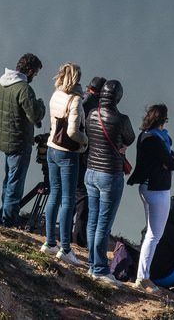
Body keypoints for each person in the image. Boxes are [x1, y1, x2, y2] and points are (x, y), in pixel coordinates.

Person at [84, 79, 136, 285]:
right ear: (118, 98)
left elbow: (89, 133)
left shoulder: (91, 114)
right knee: (103, 225)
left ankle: (92, 264)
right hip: (109, 174)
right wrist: (120, 145)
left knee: (92, 220)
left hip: (91, 172)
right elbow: (130, 138)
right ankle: (100, 269)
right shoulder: (121, 119)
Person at [127, 103, 174, 292]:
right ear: (163, 120)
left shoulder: (144, 136)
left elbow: (170, 162)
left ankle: (143, 274)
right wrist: (169, 161)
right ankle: (143, 277)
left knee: (150, 232)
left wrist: (169, 161)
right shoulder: (157, 140)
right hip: (158, 190)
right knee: (154, 235)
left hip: (146, 188)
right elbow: (172, 163)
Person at [41, 62, 88, 264]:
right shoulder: (75, 100)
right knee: (68, 200)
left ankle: (50, 243)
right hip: (68, 153)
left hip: (52, 148)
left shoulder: (55, 95)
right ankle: (66, 248)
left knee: (54, 194)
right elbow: (72, 132)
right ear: (77, 78)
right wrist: (85, 141)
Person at [0, 53, 45, 227]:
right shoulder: (24, 89)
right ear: (29, 71)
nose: (34, 77)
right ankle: (8, 220)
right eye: (35, 73)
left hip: (4, 138)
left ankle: (3, 215)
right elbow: (34, 114)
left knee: (8, 179)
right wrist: (41, 104)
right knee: (15, 182)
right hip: (20, 141)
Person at [73, 76, 107, 247]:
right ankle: (79, 240)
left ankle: (69, 233)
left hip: (75, 154)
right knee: (83, 198)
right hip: (84, 156)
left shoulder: (82, 101)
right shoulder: (93, 106)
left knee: (73, 195)